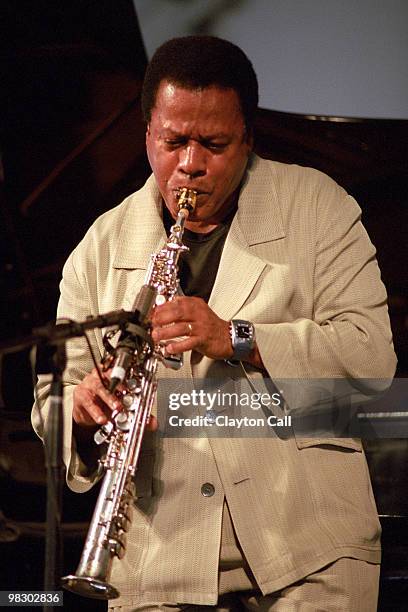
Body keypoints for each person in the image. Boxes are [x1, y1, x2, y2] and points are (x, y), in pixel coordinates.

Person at [32, 36, 396, 611]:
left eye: (215, 143)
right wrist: (80, 405)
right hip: (159, 561)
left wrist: (239, 338)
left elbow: (372, 358)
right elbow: (50, 398)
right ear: (147, 133)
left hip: (311, 549)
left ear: (248, 138)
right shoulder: (99, 247)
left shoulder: (319, 207)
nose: (191, 164)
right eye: (173, 142)